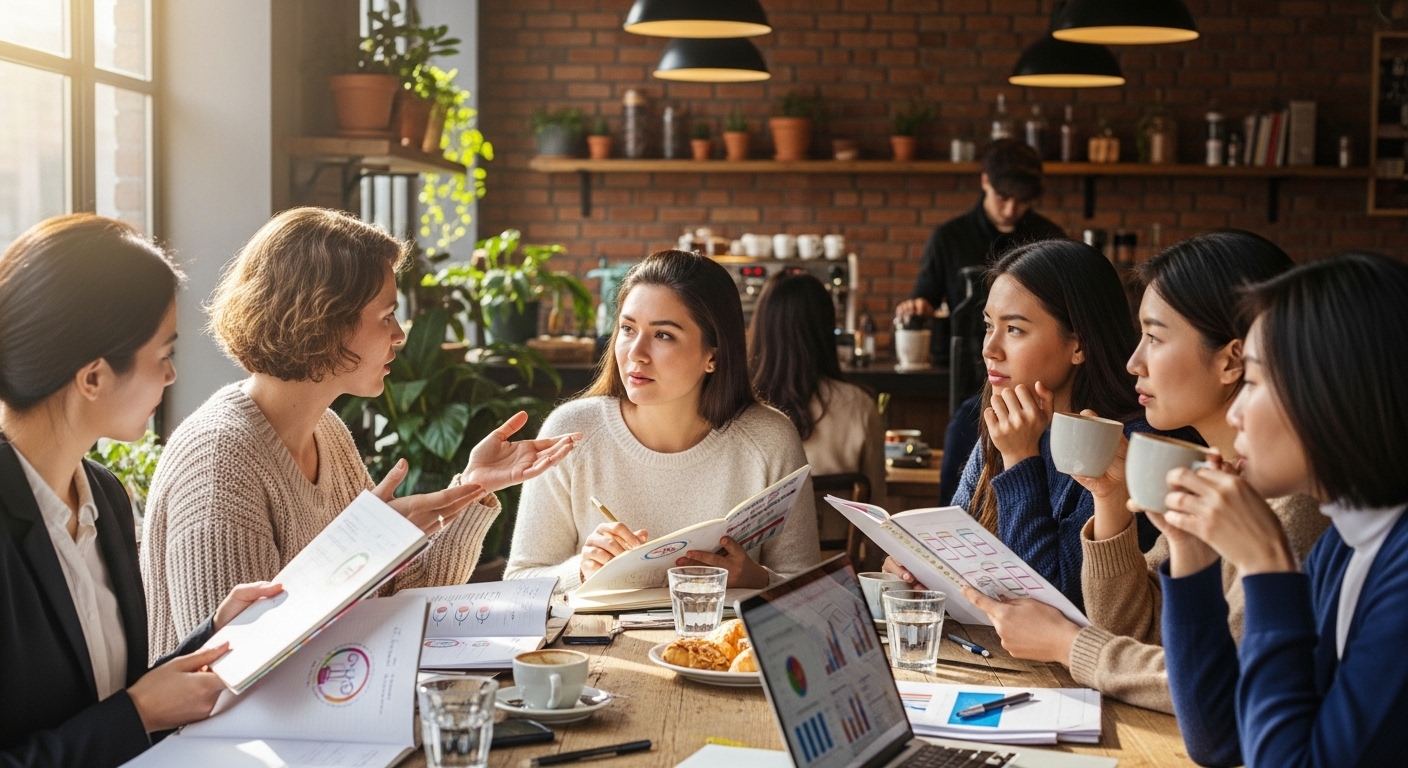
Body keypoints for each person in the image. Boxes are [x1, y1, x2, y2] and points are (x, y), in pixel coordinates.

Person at [142, 207, 580, 658]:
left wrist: (473, 487)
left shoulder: (327, 432)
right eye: (386, 315)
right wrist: (365, 542)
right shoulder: (220, 461)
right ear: (324, 321)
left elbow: (395, 598)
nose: (400, 334)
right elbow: (231, 666)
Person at [955, 231, 1328, 714]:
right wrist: (1111, 504)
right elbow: (1139, 630)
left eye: (1153, 337)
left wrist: (1069, 644)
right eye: (989, 326)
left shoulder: (1293, 506)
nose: (1135, 362)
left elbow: (1220, 691)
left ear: (1232, 359)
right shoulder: (1219, 476)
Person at [0, 215, 285, 767]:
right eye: (163, 355)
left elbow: (106, 699)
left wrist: (211, 635)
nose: (171, 375)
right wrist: (138, 714)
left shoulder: (104, 496)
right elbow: (123, 715)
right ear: (93, 377)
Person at [1158, 254, 1408, 767]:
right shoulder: (1346, 543)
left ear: (1334, 391)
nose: (1234, 412)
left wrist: (1268, 567)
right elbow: (1218, 738)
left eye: (1252, 381)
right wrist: (1194, 557)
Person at [505, 250, 820, 590]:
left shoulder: (770, 440)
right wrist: (580, 570)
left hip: (721, 627)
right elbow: (519, 582)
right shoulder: (571, 433)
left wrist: (756, 579)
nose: (636, 353)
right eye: (628, 329)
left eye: (663, 335)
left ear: (713, 355)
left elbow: (813, 591)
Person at [885, 240, 1174, 610]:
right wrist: (916, 569)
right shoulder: (1012, 422)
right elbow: (955, 555)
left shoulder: (1126, 446)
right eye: (988, 325)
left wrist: (1021, 459)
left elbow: (1055, 603)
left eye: (1014, 329)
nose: (989, 349)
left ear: (1078, 345)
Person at [748, 272, 886, 516]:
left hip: (757, 543)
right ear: (825, 330)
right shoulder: (860, 406)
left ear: (761, 329)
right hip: (839, 542)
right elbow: (877, 510)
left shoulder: (739, 409)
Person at [894, 140, 1066, 324]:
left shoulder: (1050, 238)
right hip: (963, 340)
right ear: (985, 181)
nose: (1010, 211)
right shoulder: (949, 236)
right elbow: (926, 297)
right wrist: (917, 306)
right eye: (1003, 198)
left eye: (1022, 201)